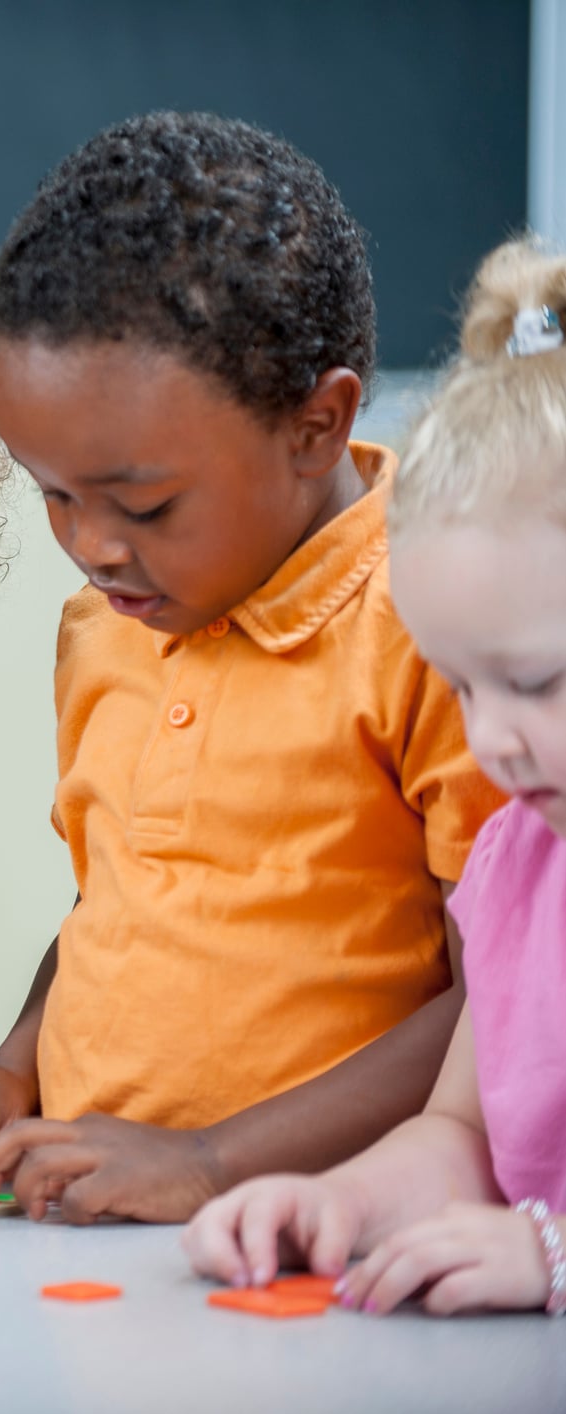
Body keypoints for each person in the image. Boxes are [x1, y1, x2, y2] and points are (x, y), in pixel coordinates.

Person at [0, 112, 505, 1223]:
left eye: (143, 506)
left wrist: (213, 1161)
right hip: (101, 1232)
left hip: (325, 1236)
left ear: (317, 425)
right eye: (51, 494)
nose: (91, 547)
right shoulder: (107, 625)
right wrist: (14, 1070)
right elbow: (115, 904)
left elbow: (499, 998)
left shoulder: (436, 625)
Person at [184, 238, 566, 1316]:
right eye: (460, 687)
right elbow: (459, 1136)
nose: (491, 739)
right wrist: (339, 1200)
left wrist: (551, 1254)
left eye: (535, 681)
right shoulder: (518, 867)